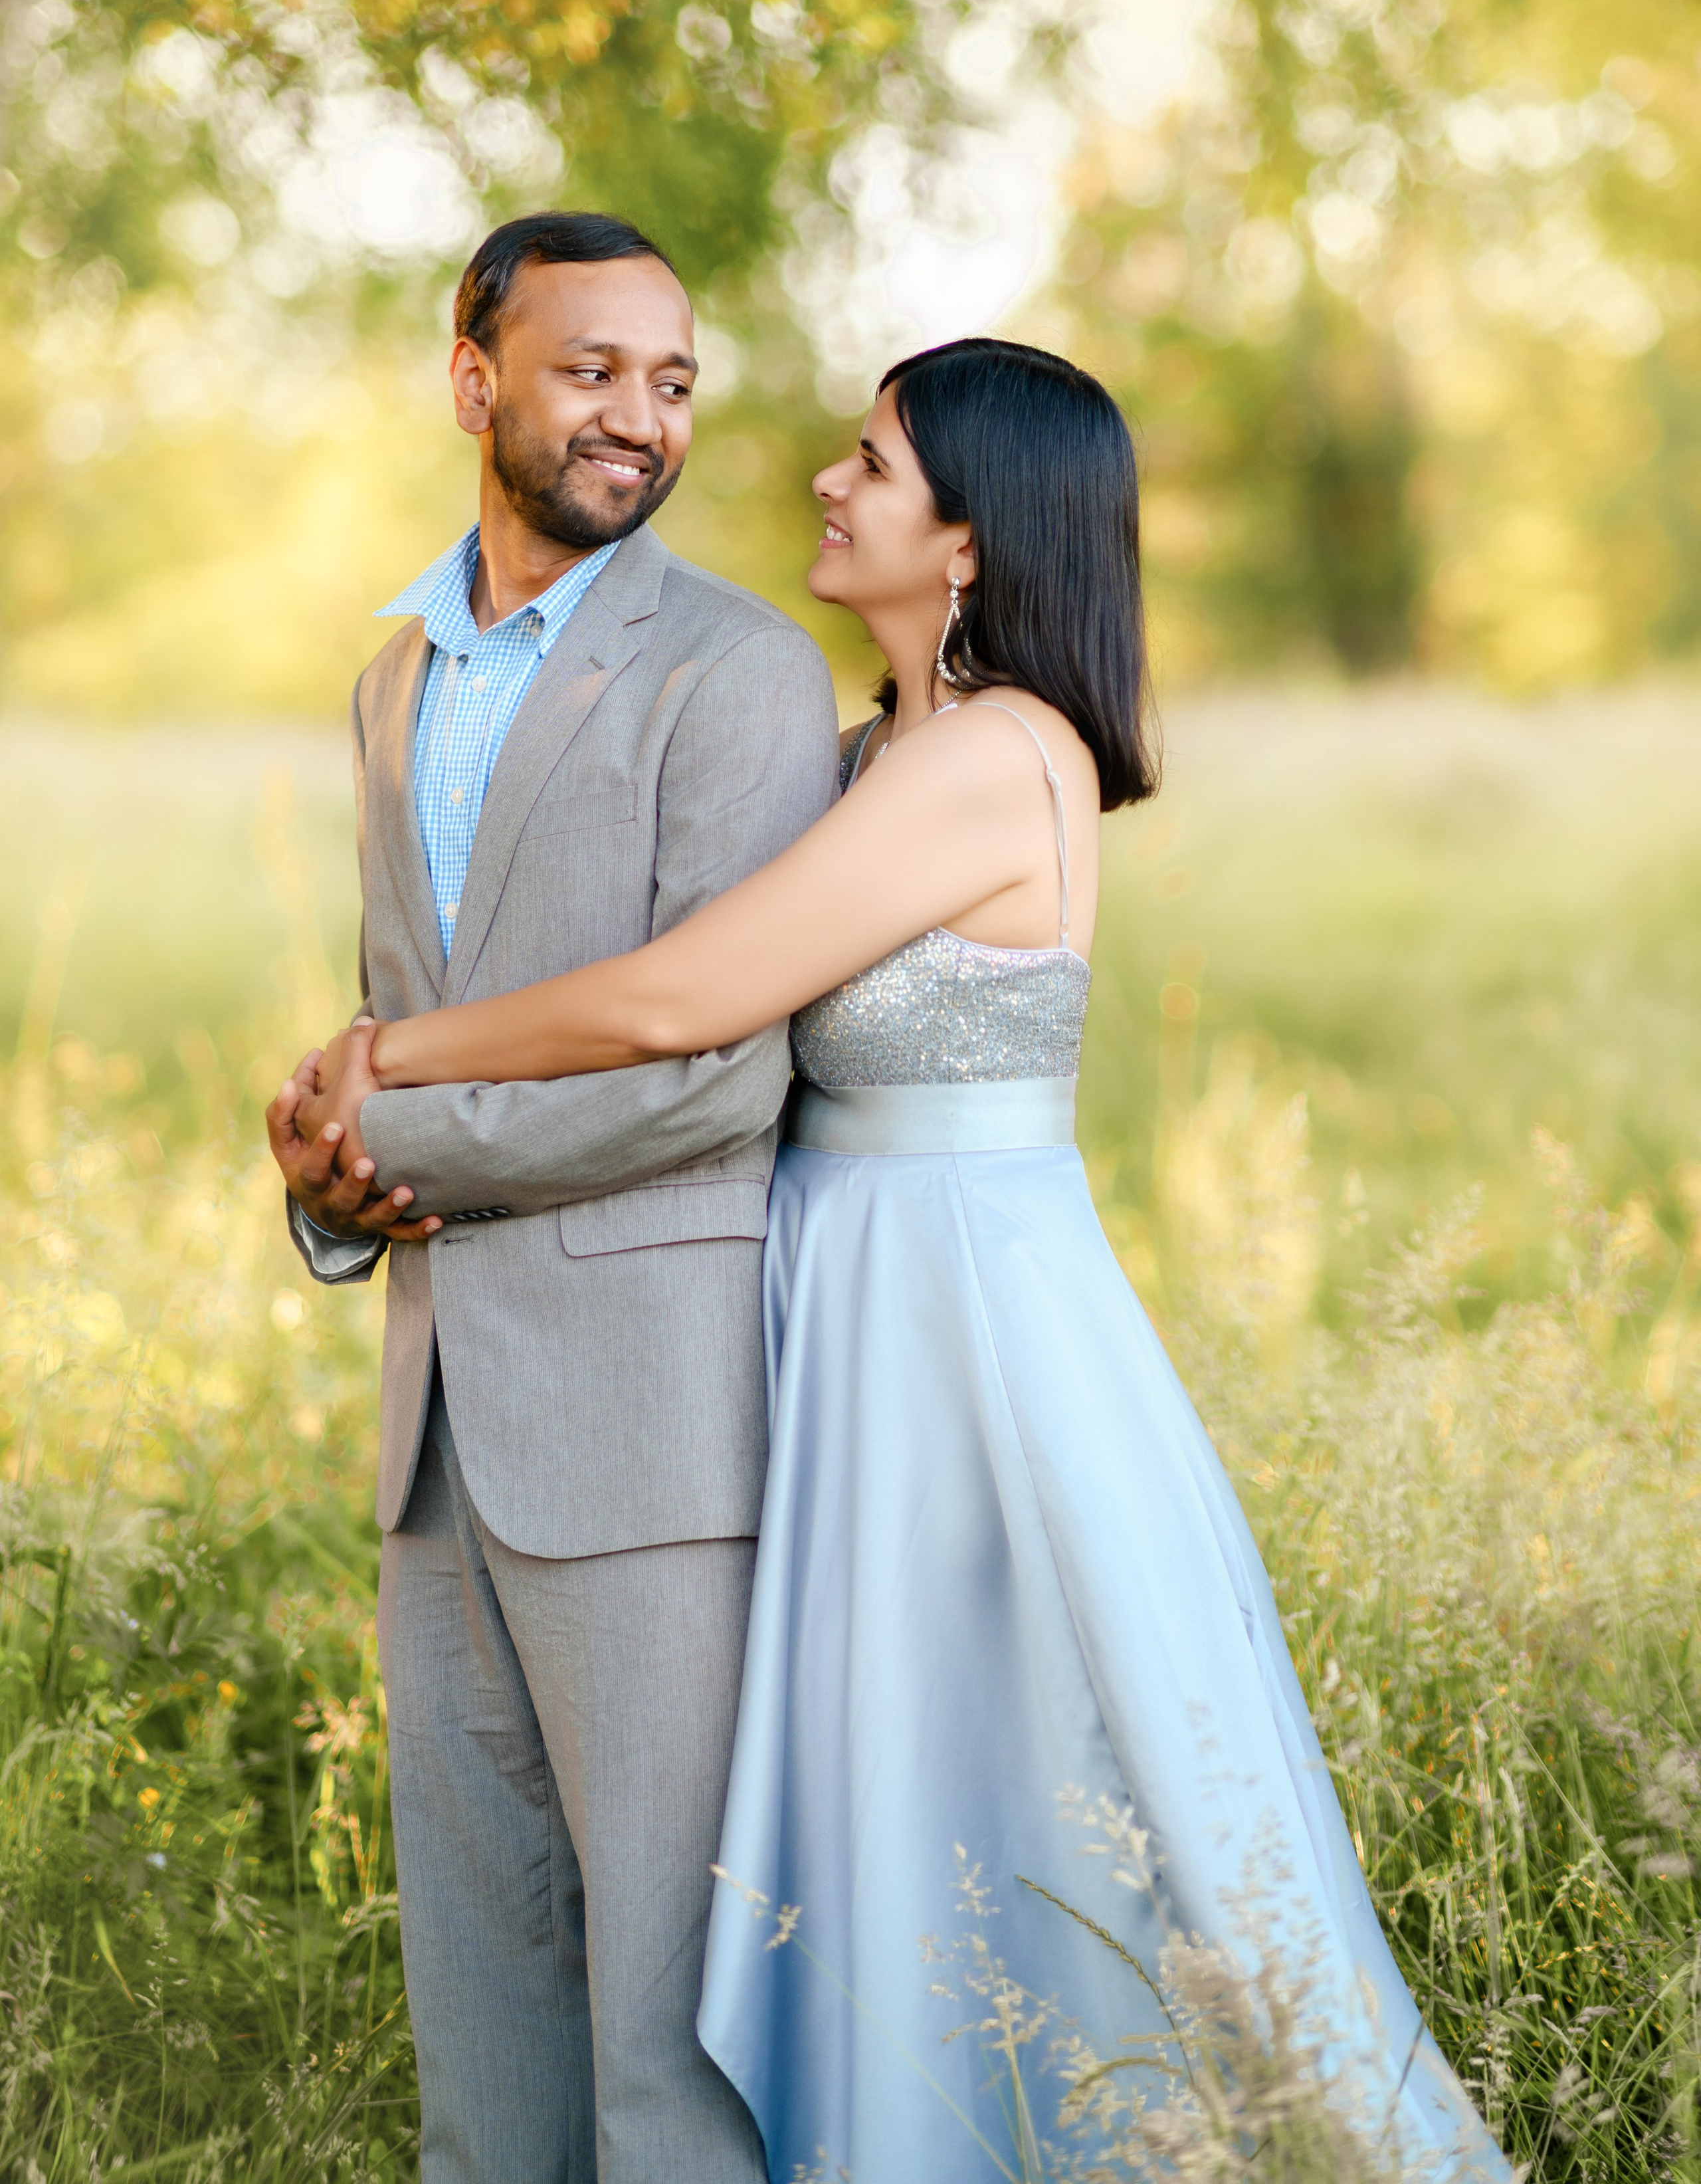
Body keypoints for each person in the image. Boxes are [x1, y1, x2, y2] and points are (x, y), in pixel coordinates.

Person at [296, 336, 1512, 2181]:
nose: (824, 481)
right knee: (896, 1815)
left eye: (871, 460)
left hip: (963, 1334)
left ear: (967, 540)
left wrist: (390, 1057)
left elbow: (687, 997)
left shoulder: (999, 759)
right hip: (840, 1312)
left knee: (1054, 1785)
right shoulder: (877, 756)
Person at [266, 209, 840, 2183]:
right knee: (485, 2035)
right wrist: (326, 1182)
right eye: (592, 369)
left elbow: (719, 1073)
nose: (637, 418)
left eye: (671, 382)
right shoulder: (393, 676)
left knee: (667, 2043)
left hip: (656, 1438)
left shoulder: (741, 672)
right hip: (438, 1444)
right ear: (473, 380)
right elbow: (399, 1019)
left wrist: (394, 1146)